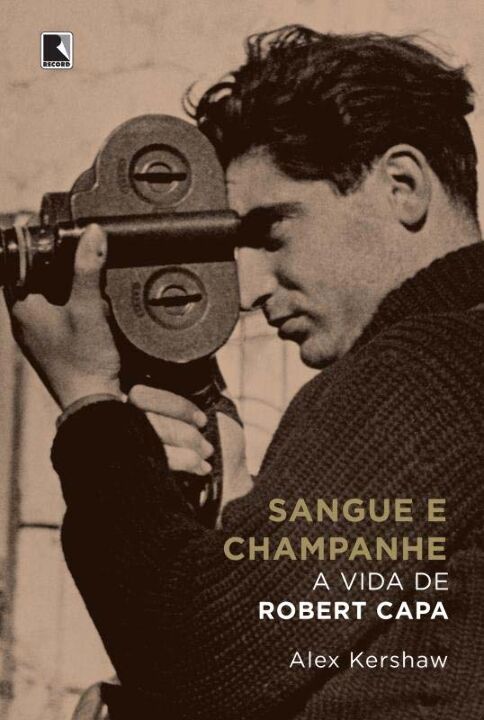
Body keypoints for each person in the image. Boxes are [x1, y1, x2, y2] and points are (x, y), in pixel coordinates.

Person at [9, 25, 484, 720]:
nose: (251, 289)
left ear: (402, 185)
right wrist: (238, 516)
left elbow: (196, 661)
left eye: (272, 233)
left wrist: (89, 401)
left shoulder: (425, 371)